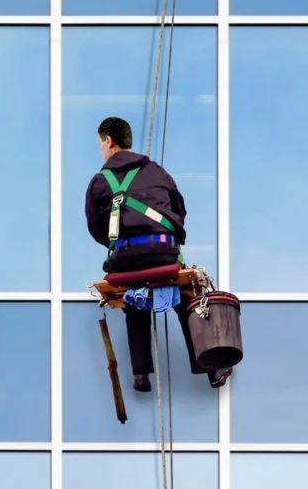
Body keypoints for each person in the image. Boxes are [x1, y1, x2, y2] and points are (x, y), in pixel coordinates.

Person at [85, 116, 230, 391]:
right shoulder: (158, 172)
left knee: (133, 299)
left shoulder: (100, 182)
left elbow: (95, 227)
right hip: (163, 252)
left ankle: (141, 375)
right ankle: (209, 367)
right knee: (187, 298)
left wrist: (119, 243)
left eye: (100, 143)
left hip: (126, 258)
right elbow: (179, 211)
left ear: (108, 141)